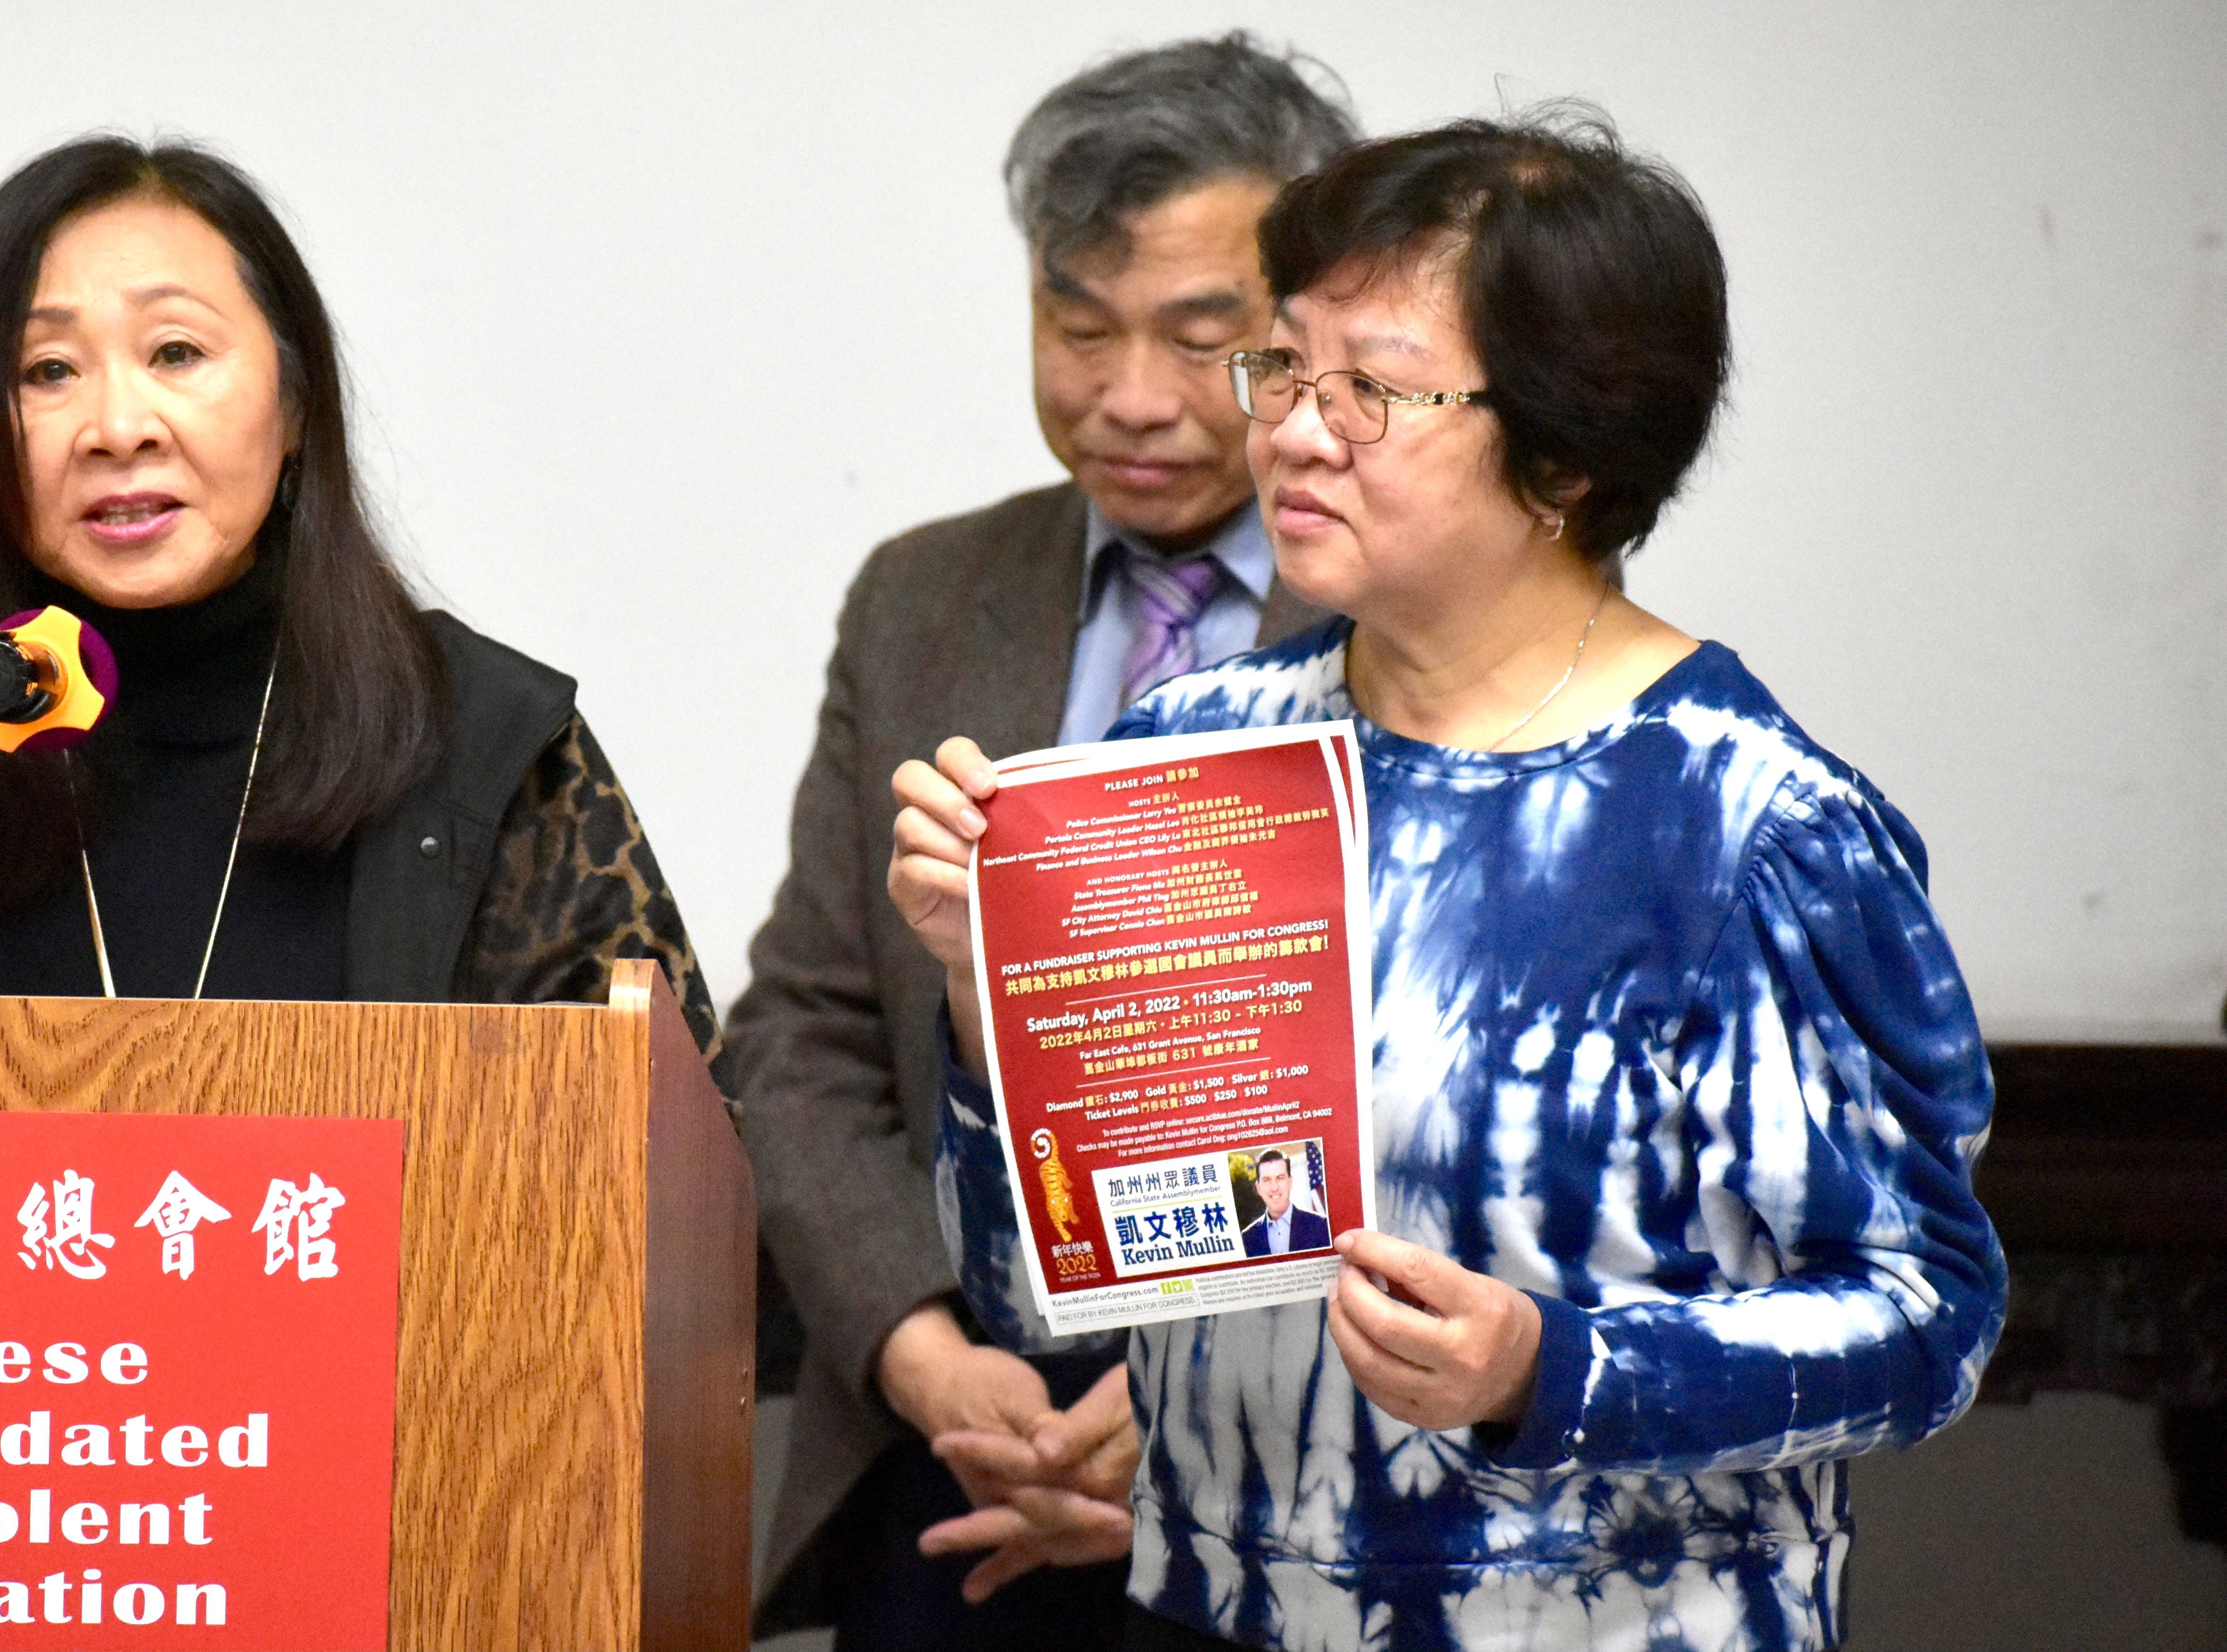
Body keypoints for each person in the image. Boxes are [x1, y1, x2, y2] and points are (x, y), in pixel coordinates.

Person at [886, 109, 2004, 1649]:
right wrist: (979, 982)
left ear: (1561, 454)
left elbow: (1926, 1319)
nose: (1286, 428)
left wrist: (1547, 1372)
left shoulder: (1740, 821)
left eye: (1372, 391)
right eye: (1281, 366)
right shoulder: (1192, 759)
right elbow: (1049, 1292)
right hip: (1204, 1612)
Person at [0, 135, 716, 1058]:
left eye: (176, 353)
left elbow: (663, 1193)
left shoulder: (482, 743)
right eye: (48, 372)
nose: (118, 428)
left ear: (296, 403)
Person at [726, 33, 1358, 1649]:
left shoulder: (1400, 617)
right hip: (956, 1442)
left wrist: (1206, 1394)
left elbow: (1448, 1071)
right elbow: (801, 1031)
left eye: (1201, 338)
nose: (1128, 396)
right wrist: (924, 1355)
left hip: (1308, 1475)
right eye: (1077, 327)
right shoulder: (926, 599)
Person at [1233, 1149, 1328, 1258]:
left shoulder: (1319, 1225)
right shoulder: (1248, 1237)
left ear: (1290, 1182)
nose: (1274, 1188)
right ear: (1259, 1188)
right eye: (1267, 1180)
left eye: (1280, 1178)